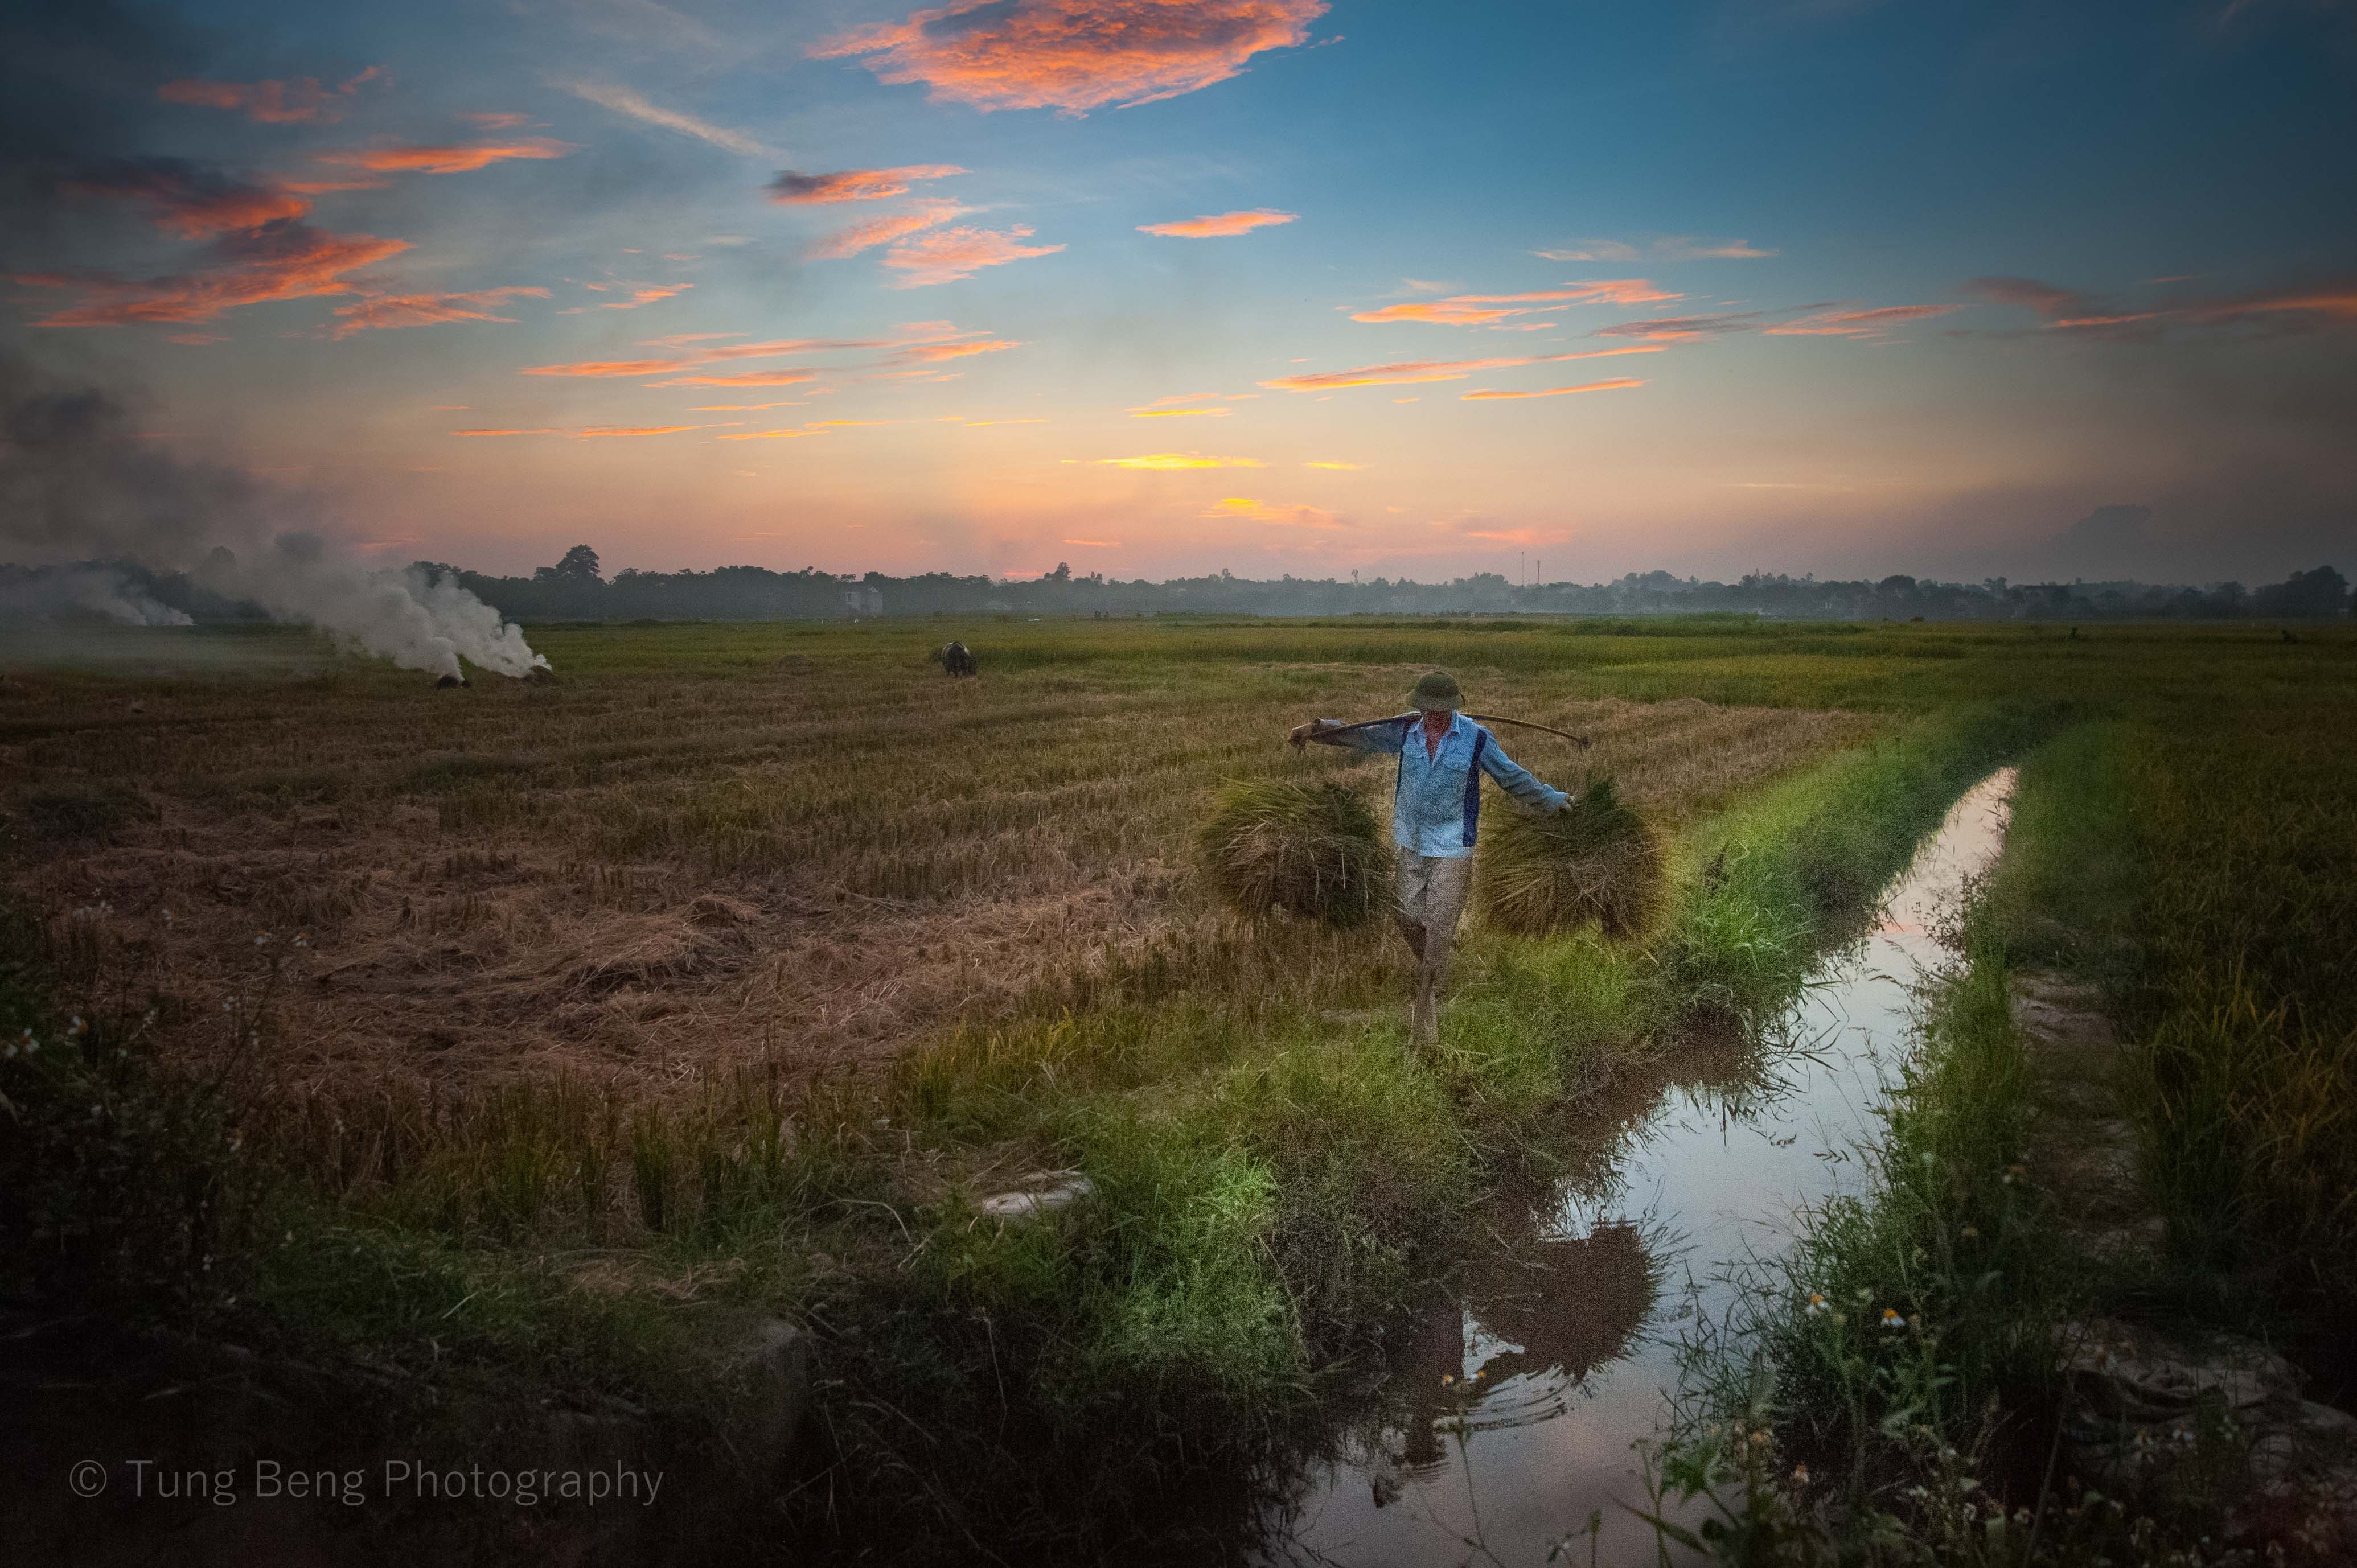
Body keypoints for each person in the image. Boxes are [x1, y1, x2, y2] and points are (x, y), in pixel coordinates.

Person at [1289, 670, 1576, 1047]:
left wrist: (1552, 800)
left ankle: (1426, 1020)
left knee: (1439, 928)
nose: (1437, 714)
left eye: (1444, 708)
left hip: (1452, 847)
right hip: (1410, 840)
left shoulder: (1476, 739)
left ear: (1455, 707)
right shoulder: (1405, 730)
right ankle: (1437, 963)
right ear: (1421, 705)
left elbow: (1512, 777)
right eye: (1430, 708)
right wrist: (1318, 729)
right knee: (1405, 913)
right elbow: (1363, 734)